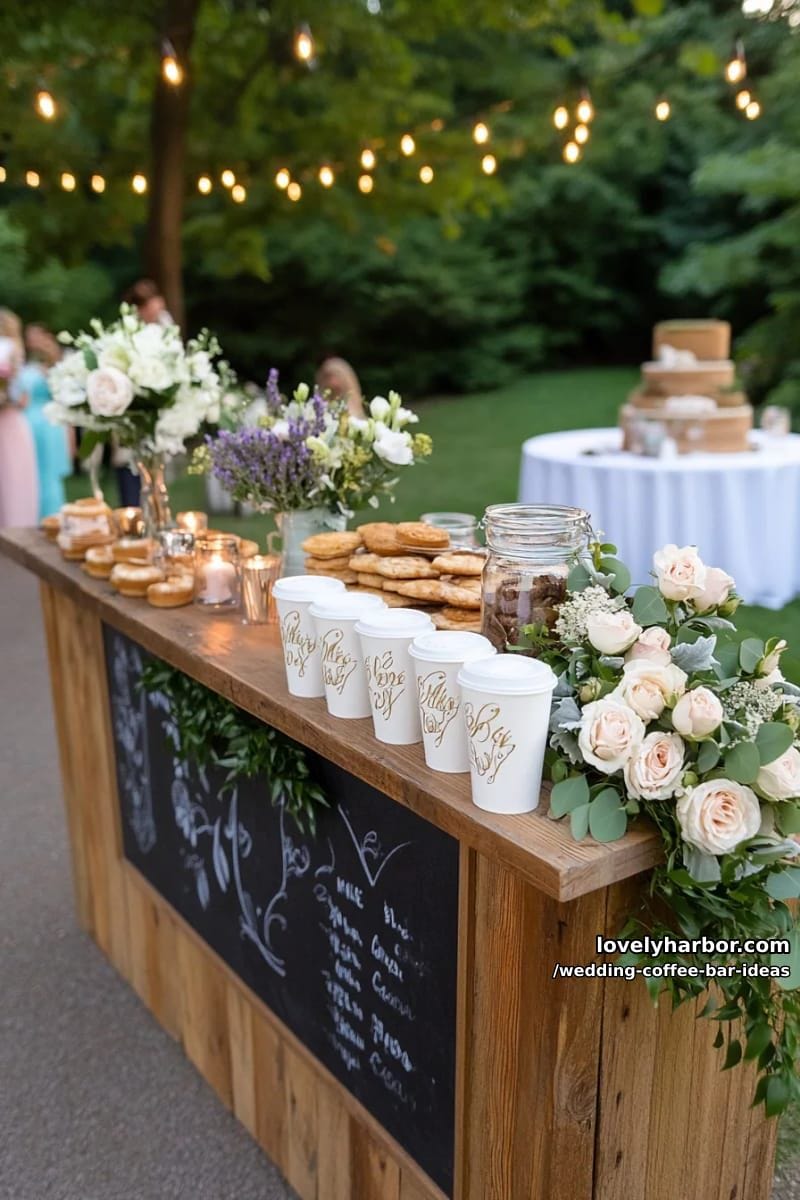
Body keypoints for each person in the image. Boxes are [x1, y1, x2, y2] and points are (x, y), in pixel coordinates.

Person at [114, 279, 175, 506]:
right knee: (130, 466)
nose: (157, 308)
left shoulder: (165, 327)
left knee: (157, 475)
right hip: (132, 412)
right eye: (150, 305)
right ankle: (134, 517)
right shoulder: (126, 334)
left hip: (158, 414)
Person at [14, 324, 72, 520]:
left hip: (48, 424)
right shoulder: (22, 361)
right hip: (26, 423)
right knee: (30, 474)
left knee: (48, 474)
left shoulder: (53, 362)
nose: (32, 340)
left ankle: (52, 517)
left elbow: (63, 393)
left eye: (35, 335)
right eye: (29, 336)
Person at [0, 308, 39, 527]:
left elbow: (20, 397)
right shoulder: (14, 350)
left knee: (13, 479)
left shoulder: (12, 352)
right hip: (11, 421)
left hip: (10, 422)